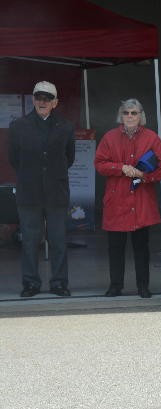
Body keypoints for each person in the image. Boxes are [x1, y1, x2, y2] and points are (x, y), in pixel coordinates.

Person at [94, 99, 161, 298]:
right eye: (126, 112)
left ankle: (143, 286)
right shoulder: (110, 137)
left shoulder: (152, 138)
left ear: (141, 116)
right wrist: (120, 168)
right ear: (121, 115)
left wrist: (144, 176)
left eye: (134, 113)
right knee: (115, 248)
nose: (130, 116)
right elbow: (99, 163)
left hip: (141, 201)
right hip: (116, 201)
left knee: (142, 248)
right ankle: (115, 285)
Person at [8, 81, 75, 298]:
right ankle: (30, 283)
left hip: (56, 193)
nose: (42, 102)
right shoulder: (18, 126)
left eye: (47, 98)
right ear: (33, 100)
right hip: (29, 193)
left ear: (55, 102)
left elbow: (69, 158)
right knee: (29, 241)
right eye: (38, 98)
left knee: (58, 240)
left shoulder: (66, 126)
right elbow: (14, 159)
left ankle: (59, 283)